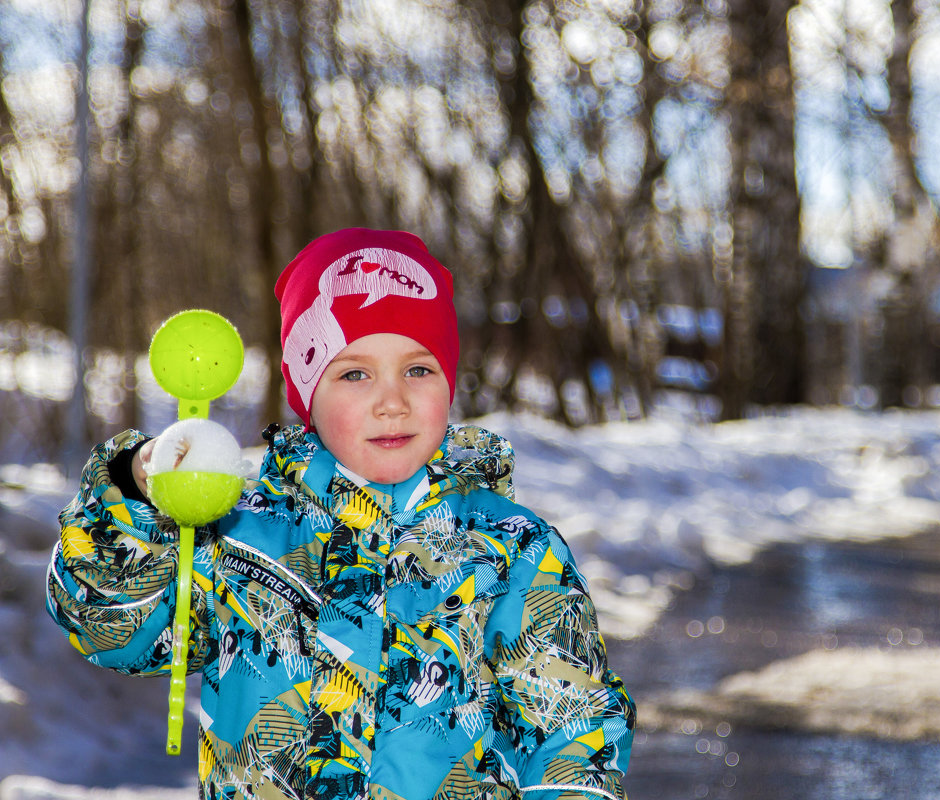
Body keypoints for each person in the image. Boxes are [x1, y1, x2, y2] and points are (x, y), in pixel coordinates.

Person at [46, 228, 636, 800]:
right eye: (354, 373)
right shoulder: (239, 537)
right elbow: (111, 630)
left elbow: (571, 735)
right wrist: (137, 492)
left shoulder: (512, 551)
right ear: (307, 391)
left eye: (418, 369)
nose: (392, 401)